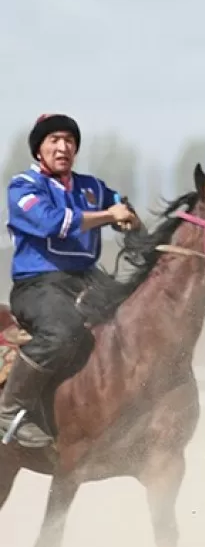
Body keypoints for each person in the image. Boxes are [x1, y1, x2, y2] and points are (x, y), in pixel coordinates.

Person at [0, 114, 141, 450]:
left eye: (69, 141)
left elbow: (120, 204)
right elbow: (52, 223)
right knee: (62, 332)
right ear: (39, 149)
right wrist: (110, 217)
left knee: (134, 317)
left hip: (86, 279)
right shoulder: (22, 188)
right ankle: (10, 408)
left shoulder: (91, 187)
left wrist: (127, 218)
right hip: (38, 285)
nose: (63, 147)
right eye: (54, 140)